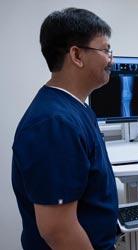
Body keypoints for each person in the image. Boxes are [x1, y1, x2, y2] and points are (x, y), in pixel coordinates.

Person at [11, 8, 118, 250]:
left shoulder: (75, 109)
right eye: (105, 50)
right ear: (77, 55)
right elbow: (58, 230)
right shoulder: (53, 124)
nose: (112, 59)